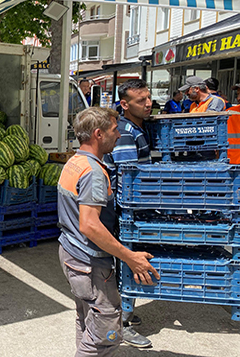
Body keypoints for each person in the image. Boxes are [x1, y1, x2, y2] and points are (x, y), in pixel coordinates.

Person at [58, 107, 159, 357]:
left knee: (88, 322)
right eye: (115, 130)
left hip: (72, 255)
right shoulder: (93, 172)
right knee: (104, 337)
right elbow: (90, 225)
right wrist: (129, 256)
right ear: (98, 134)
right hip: (89, 262)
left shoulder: (74, 162)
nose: (119, 135)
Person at [103, 79, 152, 348]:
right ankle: (121, 324)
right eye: (140, 100)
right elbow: (128, 180)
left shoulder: (135, 127)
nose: (148, 104)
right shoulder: (123, 133)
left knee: (129, 263)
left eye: (148, 98)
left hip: (132, 208)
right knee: (129, 262)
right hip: (126, 210)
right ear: (125, 104)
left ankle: (125, 314)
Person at [226, 84, 240, 164]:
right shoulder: (230, 112)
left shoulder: (230, 112)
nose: (238, 98)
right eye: (237, 94)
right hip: (231, 161)